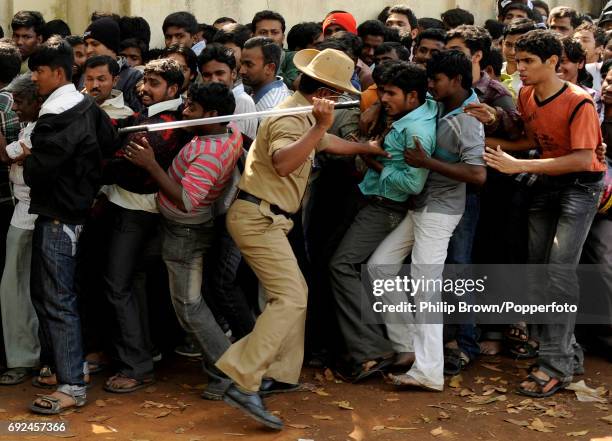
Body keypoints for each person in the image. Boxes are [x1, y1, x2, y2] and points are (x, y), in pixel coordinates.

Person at [215, 48, 387, 430]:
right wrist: (320, 128)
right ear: (323, 93)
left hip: (268, 219)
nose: (342, 99)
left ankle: (279, 373)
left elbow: (325, 146)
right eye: (338, 93)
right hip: (258, 218)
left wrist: (365, 148)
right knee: (292, 297)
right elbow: (284, 162)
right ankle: (245, 377)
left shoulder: (303, 114)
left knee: (293, 294)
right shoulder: (293, 119)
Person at [484, 29, 606, 397]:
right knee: (539, 274)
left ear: (553, 62)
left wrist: (517, 167)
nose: (518, 67)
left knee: (558, 275)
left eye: (527, 62)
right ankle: (567, 356)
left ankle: (554, 364)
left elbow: (584, 159)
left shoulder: (579, 101)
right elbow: (533, 142)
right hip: (547, 186)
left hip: (580, 189)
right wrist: (486, 136)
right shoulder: (525, 94)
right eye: (517, 60)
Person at [370, 49, 486, 390]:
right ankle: (407, 347)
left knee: (424, 288)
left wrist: (426, 163)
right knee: (380, 266)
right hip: (423, 206)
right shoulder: (441, 105)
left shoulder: (468, 118)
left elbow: (478, 175)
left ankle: (429, 371)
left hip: (440, 211)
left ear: (457, 81)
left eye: (436, 80)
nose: (430, 85)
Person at [125, 82, 243, 400]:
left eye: (192, 108)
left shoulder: (209, 152)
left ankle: (225, 373)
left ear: (213, 115)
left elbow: (187, 199)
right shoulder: (228, 131)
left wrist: (150, 164)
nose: (184, 111)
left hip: (185, 232)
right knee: (132, 271)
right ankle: (145, 347)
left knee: (189, 307)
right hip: (174, 227)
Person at [24, 36, 118, 414]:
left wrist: (29, 153)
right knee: (59, 297)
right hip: (75, 216)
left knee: (58, 300)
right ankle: (70, 370)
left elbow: (36, 173)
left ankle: (71, 387)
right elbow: (110, 140)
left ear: (58, 72)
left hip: (59, 218)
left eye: (38, 71)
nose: (33, 79)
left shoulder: (54, 116)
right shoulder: (86, 105)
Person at [329, 60, 437, 383]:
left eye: (390, 93)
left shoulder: (415, 130)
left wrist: (368, 158)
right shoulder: (418, 109)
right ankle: (373, 345)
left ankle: (371, 348)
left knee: (342, 265)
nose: (384, 98)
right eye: (381, 93)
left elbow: (412, 184)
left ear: (413, 96)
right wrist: (379, 106)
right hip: (371, 199)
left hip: (385, 207)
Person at [100, 58, 187, 394]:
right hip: (131, 208)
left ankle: (136, 366)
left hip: (136, 212)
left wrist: (107, 162)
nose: (143, 88)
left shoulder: (165, 124)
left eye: (153, 83)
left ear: (173, 89)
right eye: (144, 81)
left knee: (118, 285)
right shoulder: (148, 118)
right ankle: (143, 352)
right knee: (132, 283)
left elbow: (129, 171)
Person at [0, 74, 42, 386]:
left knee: (15, 289)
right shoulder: (29, 124)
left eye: (21, 104)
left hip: (30, 215)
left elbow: (5, 154)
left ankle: (25, 357)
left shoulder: (40, 127)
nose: (15, 111)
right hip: (22, 212)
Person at [198, 43, 257, 142]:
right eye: (207, 75)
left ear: (233, 74)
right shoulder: (204, 100)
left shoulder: (242, 102)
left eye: (219, 73)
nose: (214, 80)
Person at [82, 17, 144, 111]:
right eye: (86, 45)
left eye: (94, 44)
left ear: (111, 46)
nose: (88, 50)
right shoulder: (83, 74)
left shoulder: (133, 77)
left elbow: (136, 113)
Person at [240, 37, 291, 112]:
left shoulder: (270, 109)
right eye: (242, 63)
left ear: (270, 68)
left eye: (249, 65)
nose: (241, 71)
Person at [500, 19, 536, 100]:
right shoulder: (493, 71)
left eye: (518, 46)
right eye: (508, 45)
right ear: (502, 44)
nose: (513, 52)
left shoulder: (535, 79)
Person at [574, 23, 606, 92]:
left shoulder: (606, 73)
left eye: (585, 40)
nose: (577, 42)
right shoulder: (564, 70)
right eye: (575, 39)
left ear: (599, 49)